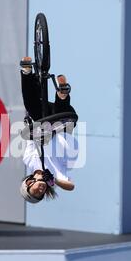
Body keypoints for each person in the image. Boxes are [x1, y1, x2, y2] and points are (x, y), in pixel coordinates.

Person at [19, 56, 79, 204]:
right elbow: (71, 186)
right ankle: (62, 94)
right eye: (41, 194)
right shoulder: (57, 175)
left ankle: (27, 71)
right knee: (60, 126)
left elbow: (31, 137)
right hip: (63, 122)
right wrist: (54, 180)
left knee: (31, 105)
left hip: (45, 121)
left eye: (35, 192)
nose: (41, 191)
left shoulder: (29, 161)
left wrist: (30, 123)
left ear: (28, 183)